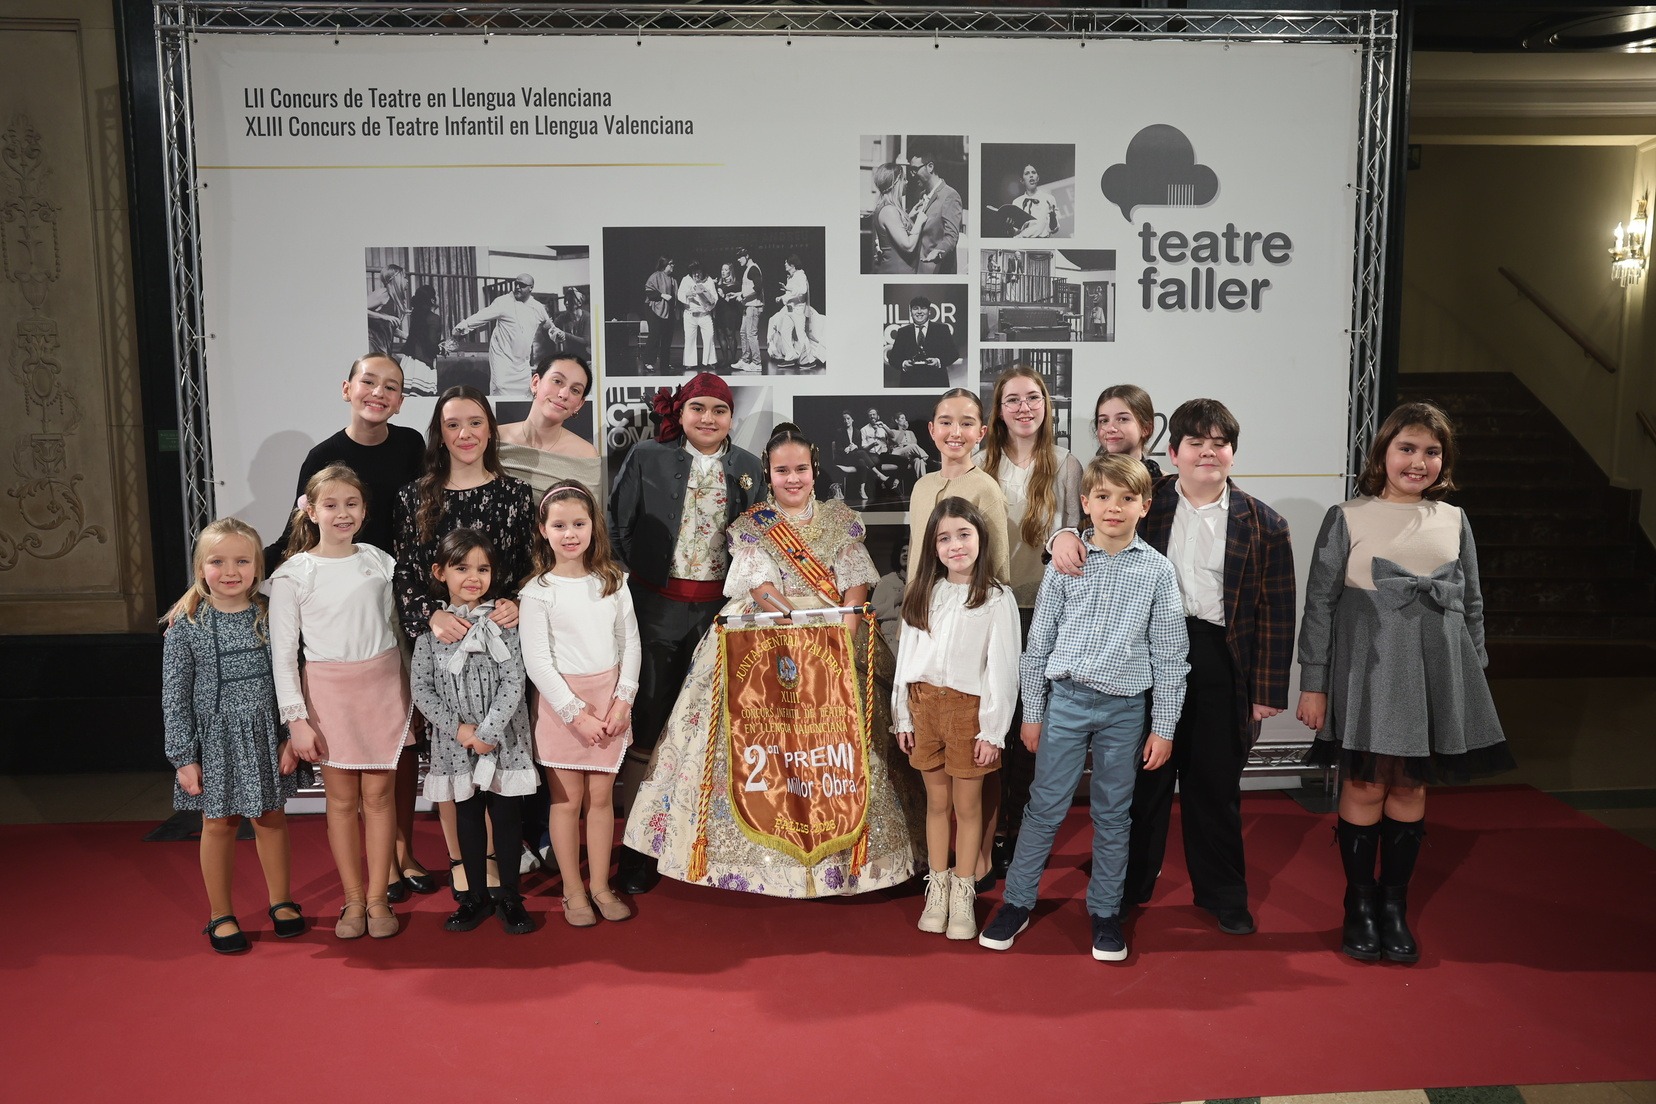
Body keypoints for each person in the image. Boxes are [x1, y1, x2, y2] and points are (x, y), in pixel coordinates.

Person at [622, 424, 921, 896]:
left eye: (801, 469)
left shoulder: (840, 518)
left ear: (814, 470)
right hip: (768, 633)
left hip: (835, 628)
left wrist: (839, 641)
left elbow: (855, 583)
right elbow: (760, 588)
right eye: (782, 471)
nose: (793, 478)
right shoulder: (753, 524)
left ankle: (850, 861)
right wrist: (795, 633)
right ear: (769, 473)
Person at [1052, 398, 1295, 935]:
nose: (1208, 452)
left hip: (1219, 659)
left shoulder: (1264, 523)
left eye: (1219, 444)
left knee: (1214, 786)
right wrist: (1061, 535)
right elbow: (1091, 524)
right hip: (1143, 654)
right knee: (1143, 782)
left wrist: (1266, 690)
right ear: (1174, 451)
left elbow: (1277, 610)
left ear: (1232, 453)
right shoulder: (1148, 500)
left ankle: (1224, 893)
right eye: (1196, 443)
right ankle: (1127, 885)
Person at [1296, 401, 1513, 963]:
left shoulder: (1454, 520)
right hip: (1368, 672)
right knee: (1367, 784)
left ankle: (1393, 905)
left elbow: (1472, 603)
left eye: (1431, 452)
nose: (1418, 462)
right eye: (1407, 449)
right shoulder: (1348, 516)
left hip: (1436, 671)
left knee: (1412, 787)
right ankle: (1359, 904)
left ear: (1445, 460)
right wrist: (1313, 683)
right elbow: (1319, 606)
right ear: (1383, 453)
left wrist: (1472, 675)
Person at [978, 454, 1188, 962]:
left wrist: (1163, 726)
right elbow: (1039, 645)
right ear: (1086, 503)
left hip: (1125, 710)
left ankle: (1106, 911)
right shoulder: (1065, 565)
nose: (1114, 507)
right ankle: (1017, 901)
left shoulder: (1158, 572)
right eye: (1104, 497)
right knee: (1044, 806)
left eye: (1127, 498)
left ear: (1145, 505)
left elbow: (1170, 655)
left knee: (1113, 814)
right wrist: (1033, 713)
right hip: (1066, 703)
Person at [606, 372, 766, 893]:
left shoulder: (748, 466)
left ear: (732, 418)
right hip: (656, 608)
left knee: (707, 726)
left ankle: (700, 837)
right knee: (648, 723)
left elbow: (758, 542)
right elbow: (618, 524)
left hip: (719, 614)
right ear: (682, 412)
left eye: (719, 410)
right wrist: (645, 582)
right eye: (698, 408)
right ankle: (636, 847)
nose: (708, 419)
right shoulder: (648, 456)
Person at [394, 387, 535, 900]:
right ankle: (461, 860)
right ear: (440, 433)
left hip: (500, 643)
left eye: (475, 422)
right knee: (454, 755)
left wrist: (517, 602)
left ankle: (501, 860)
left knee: (499, 750)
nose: (465, 434)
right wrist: (430, 615)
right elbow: (405, 573)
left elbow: (529, 568)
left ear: (490, 429)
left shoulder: (516, 494)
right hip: (443, 641)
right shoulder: (415, 497)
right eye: (453, 424)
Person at [272, 464, 412, 940]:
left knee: (380, 798)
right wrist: (296, 720)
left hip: (383, 688)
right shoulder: (293, 574)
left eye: (352, 504)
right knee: (341, 801)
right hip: (328, 695)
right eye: (330, 505)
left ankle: (378, 899)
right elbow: (284, 656)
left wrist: (415, 694)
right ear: (311, 511)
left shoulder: (380, 561)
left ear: (365, 510)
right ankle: (352, 899)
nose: (342, 513)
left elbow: (398, 630)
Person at [162, 518, 308, 954]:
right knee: (219, 823)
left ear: (258, 566)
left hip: (266, 736)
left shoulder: (273, 614)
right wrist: (183, 756)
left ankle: (281, 901)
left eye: (242, 561)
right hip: (215, 742)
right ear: (200, 568)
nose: (230, 571)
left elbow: (295, 677)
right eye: (218, 562)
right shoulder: (186, 624)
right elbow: (174, 697)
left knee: (271, 818)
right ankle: (220, 913)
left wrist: (290, 736)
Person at [893, 497, 1021, 939]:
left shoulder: (996, 598)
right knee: (936, 804)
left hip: (969, 713)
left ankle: (964, 892)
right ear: (933, 547)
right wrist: (902, 717)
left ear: (980, 537)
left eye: (963, 534)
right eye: (944, 538)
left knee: (968, 808)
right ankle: (939, 888)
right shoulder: (922, 593)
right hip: (924, 707)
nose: (955, 545)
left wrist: (993, 730)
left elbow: (1003, 669)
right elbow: (907, 659)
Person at [976, 366, 1083, 882]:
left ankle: (1019, 833)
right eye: (1013, 399)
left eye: (1033, 398)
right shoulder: (980, 464)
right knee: (992, 723)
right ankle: (989, 832)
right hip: (991, 611)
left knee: (1031, 728)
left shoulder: (1065, 464)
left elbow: (1076, 536)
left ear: (1047, 405)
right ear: (998, 410)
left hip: (1045, 613)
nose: (1024, 408)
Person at [520, 481, 642, 927]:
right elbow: (538, 663)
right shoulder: (538, 592)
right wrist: (575, 714)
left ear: (593, 526)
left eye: (578, 523)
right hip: (562, 709)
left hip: (609, 703)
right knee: (567, 800)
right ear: (543, 530)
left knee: (602, 799)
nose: (570, 534)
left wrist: (623, 701)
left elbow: (630, 643)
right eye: (559, 526)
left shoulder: (613, 581)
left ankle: (601, 887)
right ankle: (573, 890)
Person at [409, 528, 538, 935]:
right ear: (440, 572)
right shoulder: (431, 636)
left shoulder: (505, 626)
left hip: (502, 740)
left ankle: (510, 897)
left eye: (483, 569)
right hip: (456, 743)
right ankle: (475, 897)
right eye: (462, 568)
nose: (473, 577)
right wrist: (461, 730)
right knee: (466, 816)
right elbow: (421, 689)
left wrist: (488, 731)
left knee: (506, 817)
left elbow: (514, 681)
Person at [906, 388, 1011, 585]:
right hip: (919, 602)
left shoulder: (986, 489)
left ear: (981, 433)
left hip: (969, 602)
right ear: (932, 429)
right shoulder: (921, 487)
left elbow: (998, 565)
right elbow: (915, 556)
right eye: (946, 422)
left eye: (966, 424)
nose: (955, 432)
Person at [496, 353, 603, 501]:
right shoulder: (494, 439)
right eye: (557, 381)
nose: (564, 394)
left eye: (575, 390)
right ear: (535, 383)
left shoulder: (585, 456)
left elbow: (590, 513)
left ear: (579, 404)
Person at [452, 273, 565, 399]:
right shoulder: (503, 302)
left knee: (524, 393)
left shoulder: (537, 307)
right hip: (502, 357)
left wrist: (556, 334)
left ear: (531, 288)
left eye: (522, 285)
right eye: (516, 284)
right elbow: (482, 315)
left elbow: (548, 326)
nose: (517, 287)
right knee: (500, 388)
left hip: (522, 363)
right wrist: (464, 325)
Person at [869, 162, 931, 274]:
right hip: (898, 272)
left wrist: (908, 216)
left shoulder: (884, 207)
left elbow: (892, 234)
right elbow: (908, 246)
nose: (907, 182)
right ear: (895, 183)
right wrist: (919, 221)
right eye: (904, 179)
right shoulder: (889, 211)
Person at [885, 296, 959, 389]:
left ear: (929, 311)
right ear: (911, 312)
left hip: (937, 383)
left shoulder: (942, 329)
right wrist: (903, 364)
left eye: (923, 308)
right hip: (910, 385)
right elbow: (893, 358)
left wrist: (938, 361)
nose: (919, 312)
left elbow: (954, 354)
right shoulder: (903, 332)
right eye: (915, 308)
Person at [909, 149, 963, 274]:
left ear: (930, 167)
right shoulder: (921, 196)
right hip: (918, 270)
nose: (912, 175)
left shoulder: (950, 195)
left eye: (915, 169)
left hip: (936, 270)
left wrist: (938, 251)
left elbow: (951, 236)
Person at [1094, 384, 1162, 479]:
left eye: (1122, 419)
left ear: (1146, 428)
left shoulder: (1162, 481)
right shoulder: (1093, 478)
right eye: (1104, 421)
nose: (1110, 428)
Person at [770, 254, 824, 367]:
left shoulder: (801, 275)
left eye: (786, 263)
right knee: (784, 331)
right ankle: (790, 357)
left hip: (798, 310)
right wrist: (781, 297)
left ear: (792, 265)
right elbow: (790, 294)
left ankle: (810, 361)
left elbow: (803, 290)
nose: (785, 264)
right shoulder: (791, 277)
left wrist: (787, 288)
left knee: (801, 334)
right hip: (789, 309)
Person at [835, 410, 897, 504]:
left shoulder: (857, 432)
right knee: (862, 453)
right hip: (845, 458)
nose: (846, 421)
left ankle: (862, 489)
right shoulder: (839, 432)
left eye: (848, 419)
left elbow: (859, 447)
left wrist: (855, 446)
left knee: (862, 462)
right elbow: (838, 449)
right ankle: (879, 474)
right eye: (844, 419)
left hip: (855, 457)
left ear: (852, 420)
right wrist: (845, 449)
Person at [401, 285, 443, 397]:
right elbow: (431, 345)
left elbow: (422, 339)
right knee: (421, 400)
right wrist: (442, 349)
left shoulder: (417, 317)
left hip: (408, 363)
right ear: (432, 300)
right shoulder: (434, 318)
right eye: (436, 294)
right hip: (422, 363)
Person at [677, 260, 719, 372]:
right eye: (694, 272)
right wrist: (687, 294)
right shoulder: (686, 280)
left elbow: (715, 297)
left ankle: (710, 361)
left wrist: (710, 305)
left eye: (698, 272)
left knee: (709, 336)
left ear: (702, 272)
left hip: (704, 315)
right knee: (689, 338)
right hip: (690, 314)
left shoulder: (708, 280)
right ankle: (689, 363)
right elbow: (680, 294)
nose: (696, 275)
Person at [732, 247, 765, 372]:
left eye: (740, 257)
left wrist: (742, 296)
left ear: (747, 256)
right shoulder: (748, 269)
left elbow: (758, 288)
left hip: (754, 307)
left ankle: (756, 363)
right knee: (743, 332)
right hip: (748, 306)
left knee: (751, 334)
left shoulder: (753, 269)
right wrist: (738, 294)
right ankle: (745, 359)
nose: (738, 260)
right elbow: (749, 288)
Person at [643, 256, 677, 373]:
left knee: (667, 337)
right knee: (655, 334)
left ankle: (665, 363)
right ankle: (648, 362)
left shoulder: (673, 279)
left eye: (673, 264)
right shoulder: (655, 276)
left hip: (669, 311)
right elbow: (649, 292)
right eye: (670, 264)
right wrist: (662, 295)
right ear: (664, 265)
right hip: (654, 310)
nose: (673, 266)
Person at [366, 263, 408, 358]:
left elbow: (386, 326)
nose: (407, 280)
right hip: (373, 348)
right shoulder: (383, 293)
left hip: (384, 349)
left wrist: (406, 335)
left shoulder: (394, 300)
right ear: (396, 279)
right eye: (404, 277)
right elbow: (359, 311)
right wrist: (384, 317)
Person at [714, 262, 742, 369]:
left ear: (730, 271)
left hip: (730, 312)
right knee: (720, 335)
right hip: (719, 312)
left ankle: (733, 359)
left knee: (730, 335)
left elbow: (734, 298)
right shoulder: (718, 284)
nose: (723, 272)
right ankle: (725, 359)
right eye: (722, 269)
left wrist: (723, 294)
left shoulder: (736, 284)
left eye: (726, 270)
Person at [888, 411, 929, 479]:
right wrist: (903, 429)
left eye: (905, 418)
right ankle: (926, 458)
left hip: (910, 455)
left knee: (919, 460)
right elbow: (898, 442)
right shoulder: (892, 431)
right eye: (902, 418)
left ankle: (922, 482)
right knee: (913, 447)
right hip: (898, 453)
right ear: (896, 421)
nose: (905, 420)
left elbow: (915, 443)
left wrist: (906, 444)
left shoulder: (910, 432)